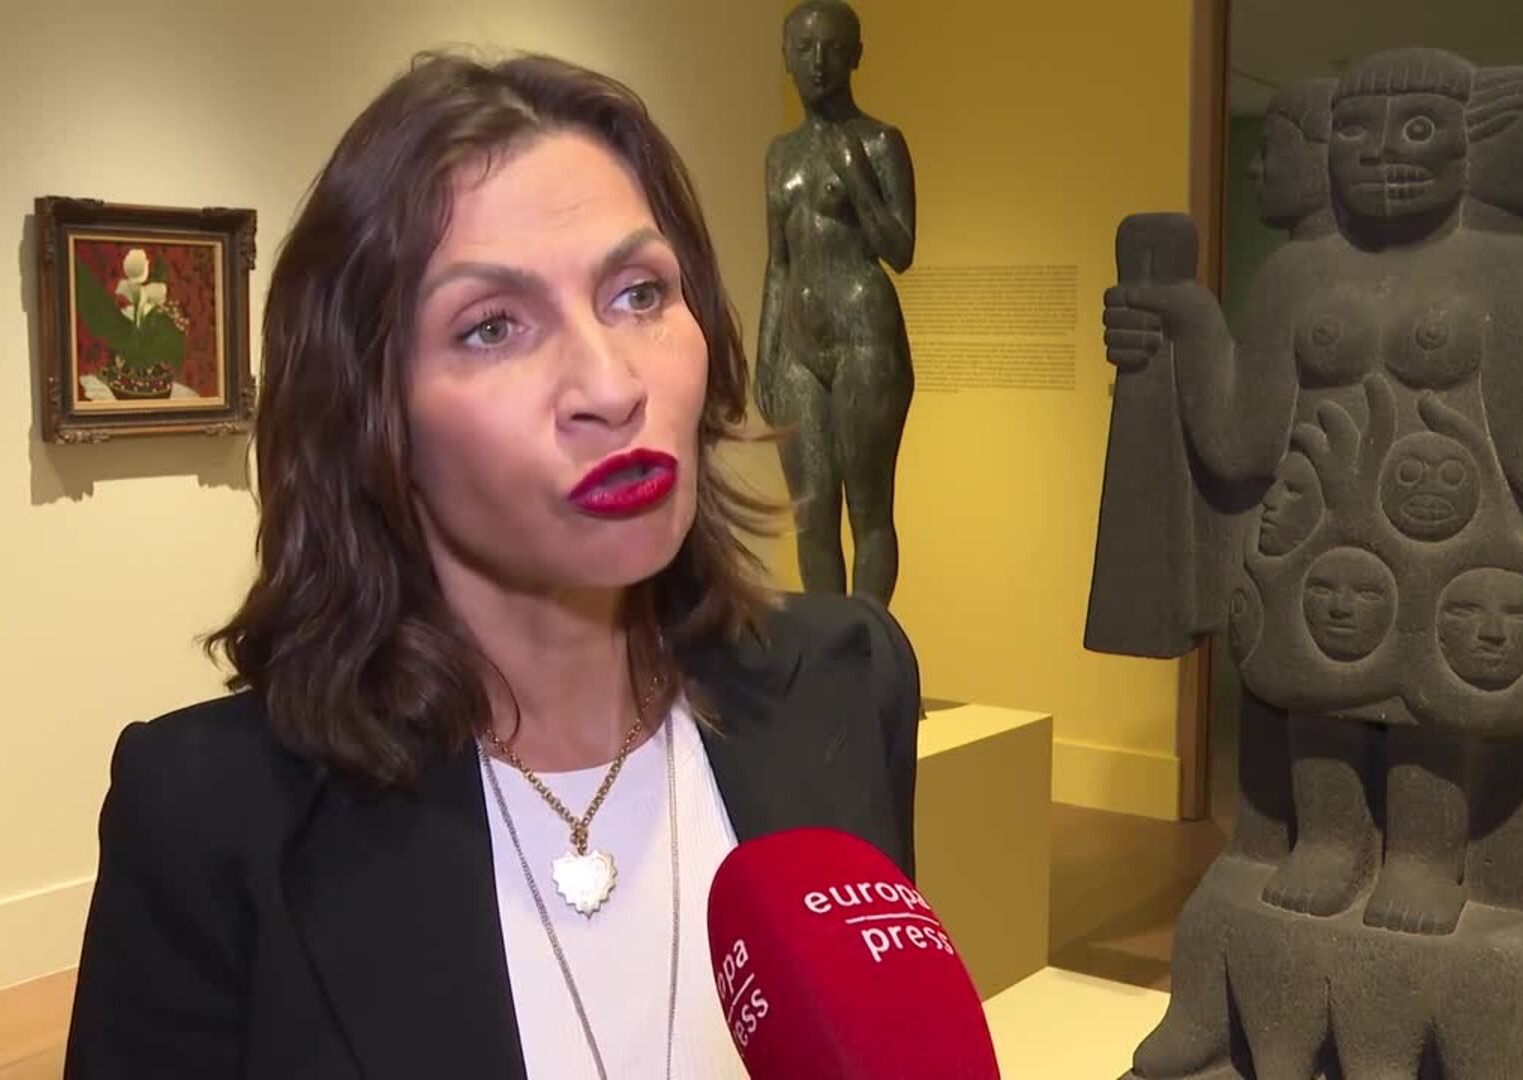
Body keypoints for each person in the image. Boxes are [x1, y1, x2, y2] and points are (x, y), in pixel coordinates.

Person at [63, 51, 921, 1080]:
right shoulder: (208, 815)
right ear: (370, 414)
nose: (610, 385)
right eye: (493, 327)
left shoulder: (845, 685)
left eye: (640, 293)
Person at [757, 0, 916, 604]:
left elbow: (900, 250)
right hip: (798, 347)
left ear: (856, 56)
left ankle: (869, 645)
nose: (818, 63)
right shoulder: (779, 154)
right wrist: (765, 354)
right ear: (785, 59)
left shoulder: (879, 142)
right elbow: (778, 262)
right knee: (812, 513)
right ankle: (829, 647)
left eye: (832, 49)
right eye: (804, 49)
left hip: (863, 335)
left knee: (869, 509)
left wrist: (857, 178)